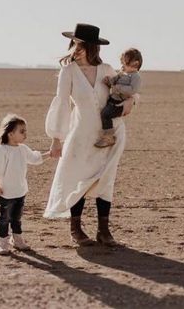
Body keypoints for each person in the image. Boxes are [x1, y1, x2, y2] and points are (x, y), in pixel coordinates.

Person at [44, 23, 136, 247]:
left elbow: (127, 90)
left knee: (106, 179)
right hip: (82, 134)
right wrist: (57, 138)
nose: (77, 48)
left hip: (110, 132)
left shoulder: (106, 69)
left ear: (92, 47)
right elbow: (62, 104)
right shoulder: (68, 72)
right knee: (79, 178)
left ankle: (103, 231)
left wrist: (131, 101)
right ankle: (76, 229)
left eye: (82, 45)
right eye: (75, 44)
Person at [0, 114, 50, 255]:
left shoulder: (23, 148)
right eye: (21, 131)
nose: (25, 134)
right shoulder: (3, 150)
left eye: (25, 131)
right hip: (5, 192)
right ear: (10, 134)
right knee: (4, 219)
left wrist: (50, 154)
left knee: (17, 218)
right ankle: (2, 243)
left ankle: (17, 240)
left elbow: (35, 158)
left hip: (20, 191)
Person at [95, 48, 142, 148]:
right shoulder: (123, 72)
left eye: (125, 62)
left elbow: (132, 90)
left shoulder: (135, 77)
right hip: (113, 99)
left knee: (105, 115)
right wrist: (109, 81)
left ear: (135, 63)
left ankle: (108, 137)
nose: (123, 65)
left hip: (120, 103)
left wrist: (117, 87)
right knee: (104, 112)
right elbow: (115, 79)